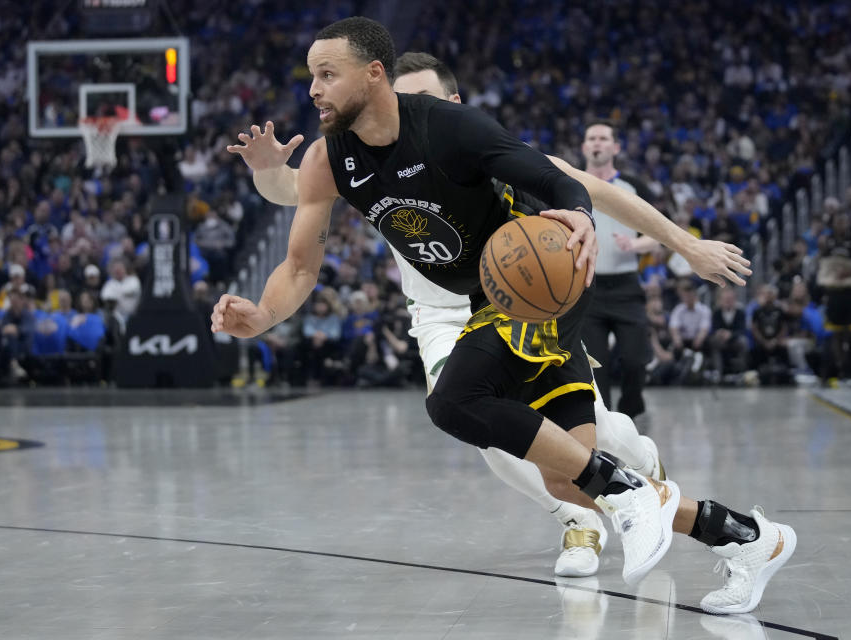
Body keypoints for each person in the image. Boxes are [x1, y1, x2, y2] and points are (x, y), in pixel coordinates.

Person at [218, 24, 789, 614]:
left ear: (376, 75)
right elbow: (298, 257)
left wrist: (656, 236)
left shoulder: (455, 129)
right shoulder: (330, 157)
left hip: (531, 289)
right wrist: (261, 314)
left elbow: (569, 183)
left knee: (456, 402)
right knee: (565, 475)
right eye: (311, 76)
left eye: (326, 75)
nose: (313, 90)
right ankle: (746, 537)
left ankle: (626, 493)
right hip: (453, 308)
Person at [579, 121, 657, 419]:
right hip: (588, 285)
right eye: (592, 138)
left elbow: (661, 233)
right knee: (595, 365)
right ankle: (607, 425)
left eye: (603, 138)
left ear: (616, 147)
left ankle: (631, 409)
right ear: (585, 147)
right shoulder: (570, 183)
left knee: (636, 361)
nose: (597, 143)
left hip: (626, 287)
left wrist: (636, 245)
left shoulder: (634, 186)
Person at [817, 212, 851, 380]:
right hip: (833, 292)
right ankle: (842, 370)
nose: (842, 225)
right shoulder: (825, 241)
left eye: (844, 221)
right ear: (832, 224)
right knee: (837, 334)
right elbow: (822, 263)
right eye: (838, 222)